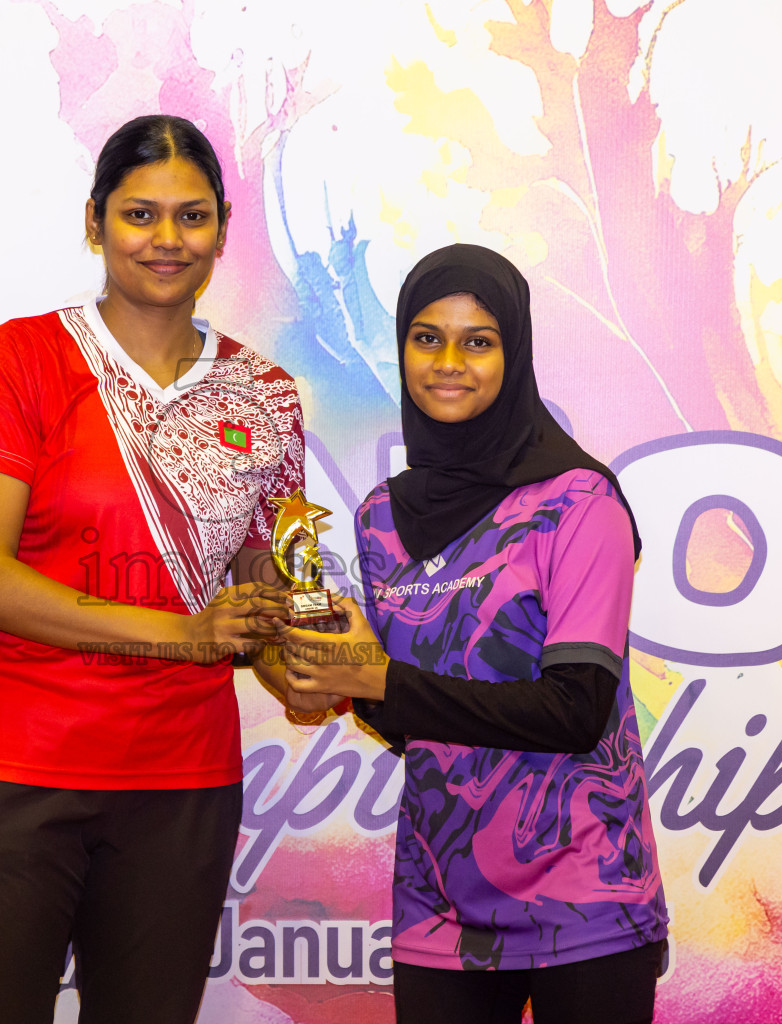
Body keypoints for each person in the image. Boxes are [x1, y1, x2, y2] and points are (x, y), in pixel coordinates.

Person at [0, 114, 305, 1024]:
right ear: (95, 222)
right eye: (140, 215)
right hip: (18, 773)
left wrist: (300, 656)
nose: (167, 240)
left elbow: (262, 585)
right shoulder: (22, 358)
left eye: (191, 216)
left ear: (222, 228)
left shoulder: (266, 394)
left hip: (182, 786)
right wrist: (187, 632)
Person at [274, 244, 668, 1024]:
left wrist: (379, 680)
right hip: (441, 905)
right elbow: (408, 717)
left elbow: (575, 712)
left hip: (586, 898)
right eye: (427, 338)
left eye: (477, 341)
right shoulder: (382, 517)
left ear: (512, 353)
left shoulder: (580, 504)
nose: (448, 362)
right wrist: (340, 679)